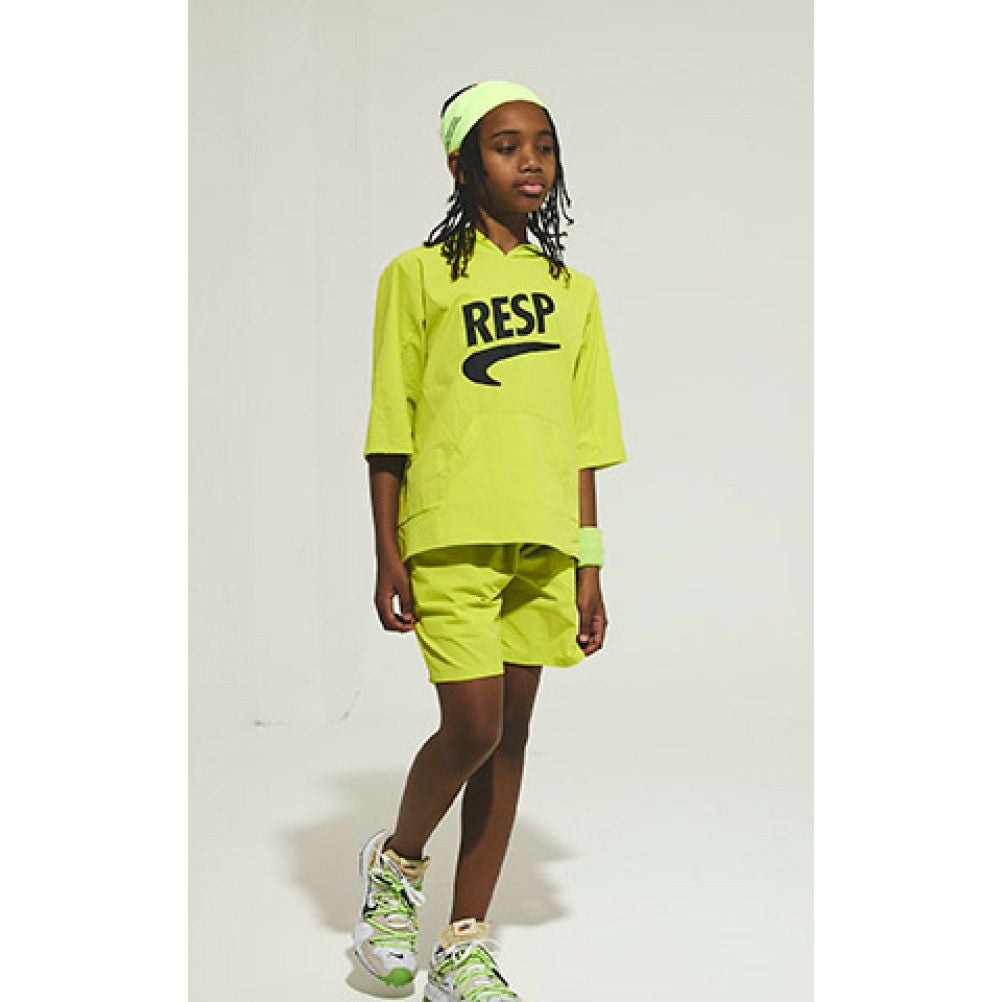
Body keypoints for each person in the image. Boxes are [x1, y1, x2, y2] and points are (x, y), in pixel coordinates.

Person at [354, 80, 627, 1002]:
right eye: (507, 146)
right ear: (461, 164)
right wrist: (388, 549)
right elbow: (390, 425)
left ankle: (464, 942)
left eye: (543, 145)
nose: (531, 162)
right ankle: (397, 864)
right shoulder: (417, 276)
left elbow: (584, 443)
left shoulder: (573, 293)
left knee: (510, 739)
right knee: (471, 726)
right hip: (449, 536)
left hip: (542, 544)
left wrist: (589, 563)